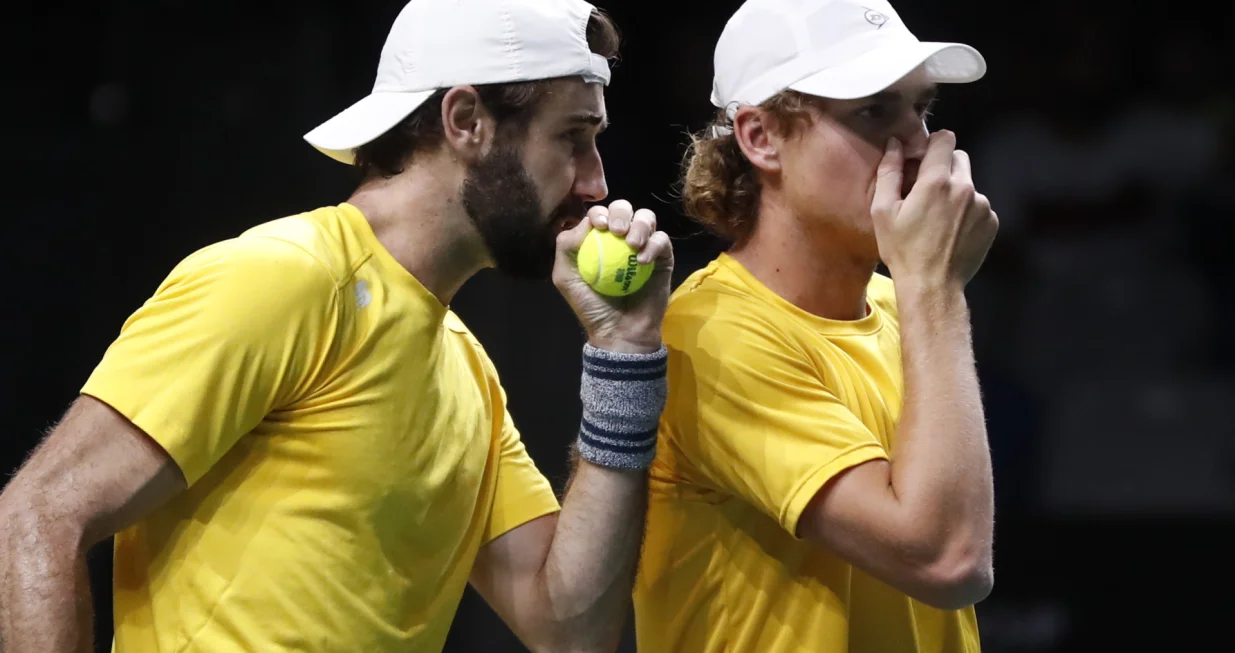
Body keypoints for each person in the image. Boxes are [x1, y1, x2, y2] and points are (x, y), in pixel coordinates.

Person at [0, 1, 674, 651]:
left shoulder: (466, 371)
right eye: (572, 138)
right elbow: (35, 516)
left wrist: (625, 354)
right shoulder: (281, 277)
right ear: (466, 119)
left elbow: (569, 629)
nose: (596, 181)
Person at [633, 0, 997, 651]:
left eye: (921, 108)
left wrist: (923, 292)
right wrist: (935, 287)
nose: (918, 145)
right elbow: (946, 560)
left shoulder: (897, 305)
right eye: (872, 111)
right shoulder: (713, 333)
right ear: (760, 137)